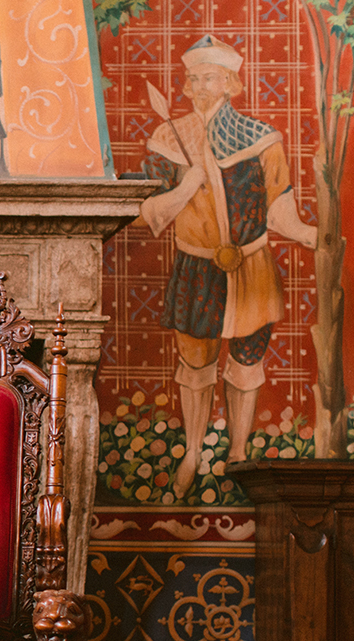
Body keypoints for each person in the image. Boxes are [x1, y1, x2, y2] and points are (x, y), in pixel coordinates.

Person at [139, 35, 317, 497]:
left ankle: (237, 451)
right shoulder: (170, 137)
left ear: (230, 83)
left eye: (209, 78)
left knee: (246, 360)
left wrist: (308, 234)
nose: (199, 86)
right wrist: (187, 185)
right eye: (193, 78)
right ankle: (192, 452)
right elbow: (148, 211)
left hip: (251, 267)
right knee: (196, 364)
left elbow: (279, 207)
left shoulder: (261, 139)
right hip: (197, 268)